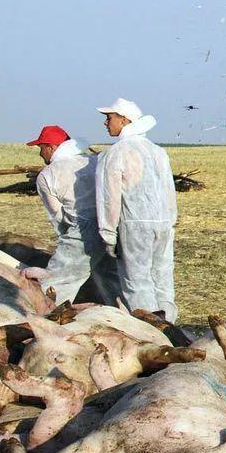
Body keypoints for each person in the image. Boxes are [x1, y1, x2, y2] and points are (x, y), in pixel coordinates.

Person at [96, 98, 178, 322]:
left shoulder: (115, 153)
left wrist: (108, 234)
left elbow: (109, 199)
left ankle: (151, 329)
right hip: (163, 224)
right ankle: (170, 327)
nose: (105, 123)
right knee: (162, 278)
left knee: (137, 282)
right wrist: (170, 220)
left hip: (134, 225)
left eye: (109, 118)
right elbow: (169, 189)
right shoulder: (158, 151)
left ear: (124, 120)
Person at [26, 125, 121, 305]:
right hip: (111, 225)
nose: (40, 153)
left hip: (83, 232)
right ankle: (129, 316)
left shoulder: (47, 175)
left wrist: (68, 242)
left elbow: (58, 216)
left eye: (41, 147)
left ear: (51, 147)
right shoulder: (93, 161)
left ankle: (47, 317)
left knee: (55, 284)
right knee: (113, 280)